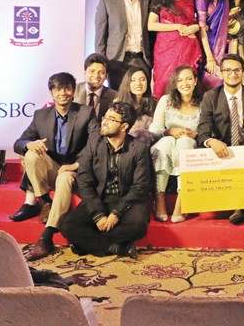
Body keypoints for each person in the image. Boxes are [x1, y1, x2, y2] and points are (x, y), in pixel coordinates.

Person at [13, 72, 97, 261]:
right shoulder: (41, 115)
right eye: (58, 89)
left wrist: (76, 164)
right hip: (51, 170)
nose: (63, 93)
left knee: (65, 178)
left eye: (67, 88)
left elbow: (96, 144)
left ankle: (46, 238)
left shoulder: (86, 113)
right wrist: (28, 145)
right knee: (32, 153)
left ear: (73, 91)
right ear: (51, 93)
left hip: (74, 172)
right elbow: (19, 141)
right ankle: (46, 202)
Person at [58, 102, 153, 259]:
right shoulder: (94, 142)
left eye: (111, 119)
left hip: (127, 200)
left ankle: (86, 243)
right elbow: (84, 179)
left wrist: (116, 213)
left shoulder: (139, 148)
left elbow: (140, 186)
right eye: (105, 117)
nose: (104, 122)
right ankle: (117, 248)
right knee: (66, 224)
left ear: (124, 126)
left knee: (138, 226)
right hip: (100, 198)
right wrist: (98, 215)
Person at [195, 54, 244, 225]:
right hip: (226, 151)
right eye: (227, 70)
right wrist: (211, 141)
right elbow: (202, 131)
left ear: (243, 72)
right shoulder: (210, 97)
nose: (232, 74)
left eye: (237, 70)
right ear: (221, 73)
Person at [148, 65, 202, 223]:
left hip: (191, 146)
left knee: (185, 142)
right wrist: (169, 131)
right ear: (175, 83)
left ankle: (181, 200)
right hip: (168, 142)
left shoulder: (204, 102)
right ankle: (159, 198)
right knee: (165, 143)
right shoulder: (166, 100)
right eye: (180, 80)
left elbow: (209, 131)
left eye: (189, 79)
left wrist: (195, 134)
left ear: (196, 81)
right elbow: (155, 129)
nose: (185, 83)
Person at [94, 0, 152, 90]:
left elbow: (152, 33)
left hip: (142, 60)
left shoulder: (148, 0)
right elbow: (100, 36)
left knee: (142, 99)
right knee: (117, 99)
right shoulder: (107, 1)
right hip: (116, 61)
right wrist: (101, 63)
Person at [148, 0, 202, 100]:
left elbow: (197, 22)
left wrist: (196, 27)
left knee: (186, 85)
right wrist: (177, 26)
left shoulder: (193, 1)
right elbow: (151, 25)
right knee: (165, 84)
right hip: (166, 50)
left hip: (187, 49)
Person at [195, 0, 229, 90]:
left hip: (223, 48)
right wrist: (209, 58)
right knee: (208, 84)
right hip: (208, 47)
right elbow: (202, 29)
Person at [114, 65, 156, 143]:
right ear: (127, 83)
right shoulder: (118, 104)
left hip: (148, 144)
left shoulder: (154, 104)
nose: (138, 83)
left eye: (142, 79)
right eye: (133, 80)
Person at [74, 53, 118, 119]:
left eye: (101, 72)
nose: (96, 76)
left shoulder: (114, 97)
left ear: (106, 76)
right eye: (92, 71)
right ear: (85, 72)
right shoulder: (73, 91)